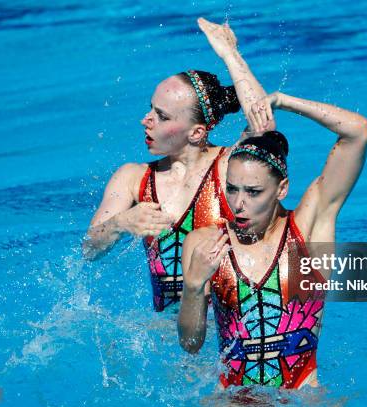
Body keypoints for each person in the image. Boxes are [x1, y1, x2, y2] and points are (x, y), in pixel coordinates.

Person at [178, 90, 367, 389]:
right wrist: (192, 287)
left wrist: (284, 101)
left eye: (253, 192)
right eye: (232, 189)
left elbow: (357, 132)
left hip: (301, 398)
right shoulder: (205, 243)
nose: (238, 203)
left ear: (281, 189)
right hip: (230, 399)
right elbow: (190, 344)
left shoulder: (307, 231)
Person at [83, 18, 276, 312]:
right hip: (164, 333)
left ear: (196, 132)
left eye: (162, 116)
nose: (145, 120)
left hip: (230, 327)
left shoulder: (228, 168)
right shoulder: (133, 178)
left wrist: (230, 54)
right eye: (150, 108)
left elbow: (263, 125)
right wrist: (121, 223)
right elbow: (89, 249)